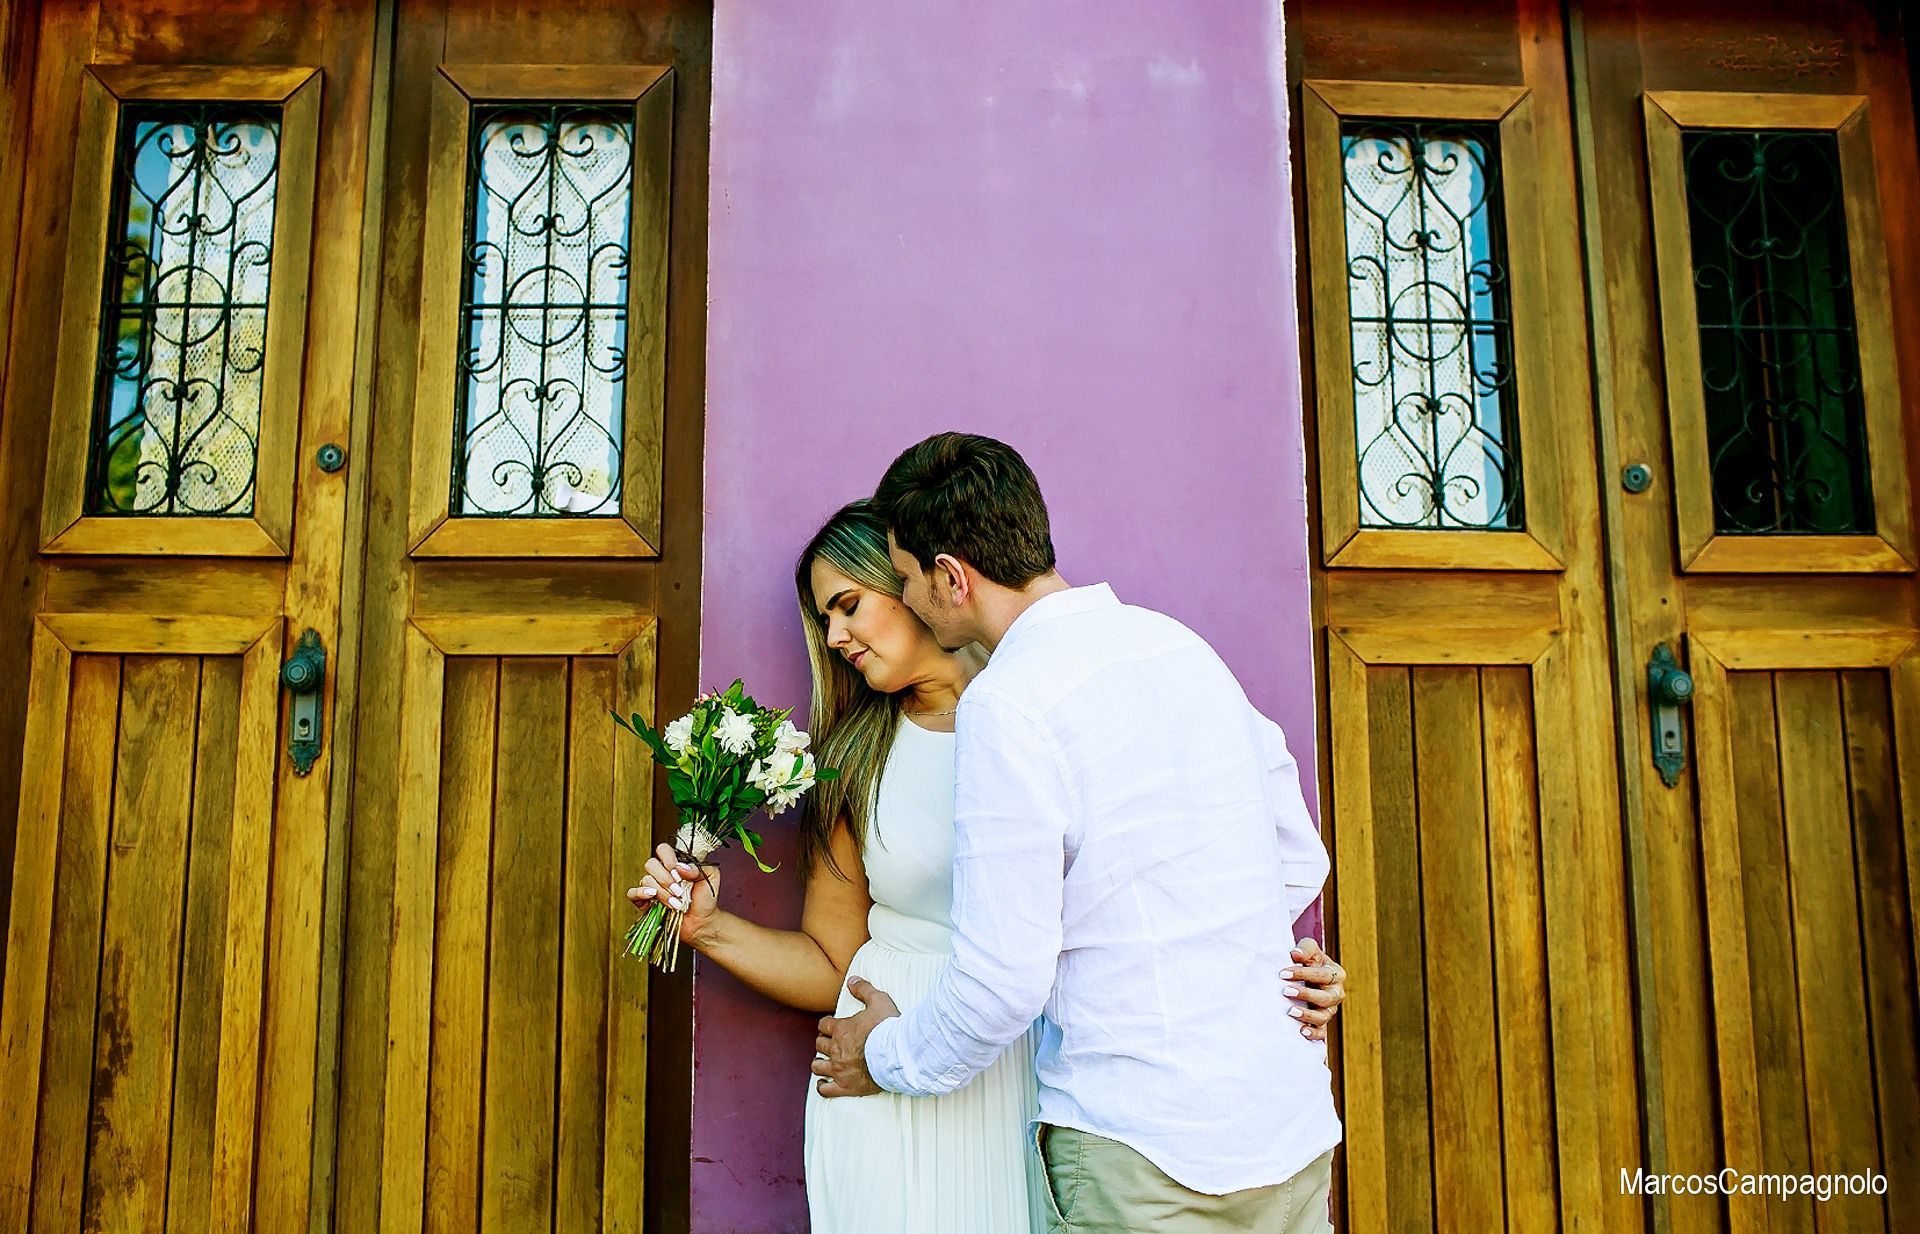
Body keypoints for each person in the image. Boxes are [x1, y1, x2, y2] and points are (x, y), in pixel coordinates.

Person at [631, 499, 1346, 1234]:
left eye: (848, 605)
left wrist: (1268, 967)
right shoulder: (853, 762)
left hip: (1037, 1075)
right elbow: (831, 962)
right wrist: (709, 929)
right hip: (886, 1085)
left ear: (919, 584)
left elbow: (1181, 872)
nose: (835, 637)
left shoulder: (1052, 707)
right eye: (824, 621)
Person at [813, 433, 1344, 1234]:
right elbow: (1297, 856)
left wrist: (884, 1055)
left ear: (951, 577)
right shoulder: (1182, 647)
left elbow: (1003, 979)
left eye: (907, 577)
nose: (910, 597)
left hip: (1143, 1156)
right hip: (1287, 1130)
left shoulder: (1010, 703)